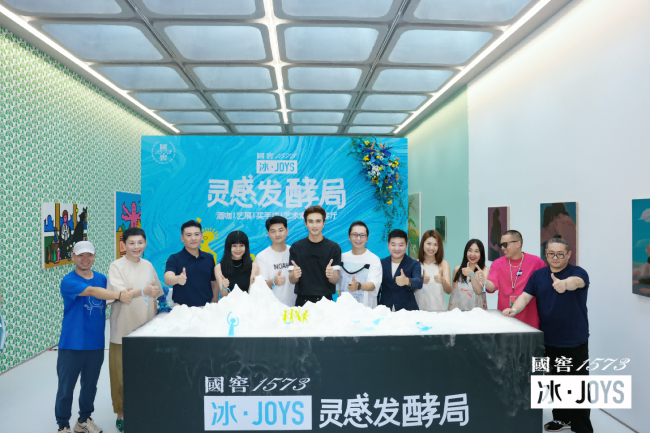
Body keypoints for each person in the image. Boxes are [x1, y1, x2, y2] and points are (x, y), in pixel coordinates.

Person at [503, 237, 592, 433]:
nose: (555, 257)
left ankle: (582, 427)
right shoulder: (538, 276)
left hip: (574, 340)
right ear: (546, 254)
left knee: (578, 384)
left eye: (560, 254)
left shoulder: (577, 272)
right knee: (555, 381)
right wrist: (514, 309)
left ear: (568, 254)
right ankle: (561, 419)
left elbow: (577, 283)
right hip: (548, 339)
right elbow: (525, 296)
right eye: (551, 253)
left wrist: (565, 285)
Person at [55, 241, 134, 433]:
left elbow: (108, 299)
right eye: (80, 255)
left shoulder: (101, 278)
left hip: (96, 343)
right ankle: (63, 425)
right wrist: (119, 294)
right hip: (72, 344)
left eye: (89, 255)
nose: (85, 259)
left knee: (90, 386)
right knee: (66, 388)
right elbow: (92, 291)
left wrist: (135, 293)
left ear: (94, 256)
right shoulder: (68, 281)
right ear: (73, 257)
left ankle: (83, 420)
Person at [107, 228, 163, 433]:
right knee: (120, 376)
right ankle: (121, 415)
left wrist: (154, 324)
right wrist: (143, 291)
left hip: (145, 331)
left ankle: (143, 409)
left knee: (145, 373)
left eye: (140, 242)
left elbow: (155, 296)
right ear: (123, 245)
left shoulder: (148, 265)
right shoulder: (116, 266)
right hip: (122, 332)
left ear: (145, 243)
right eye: (132, 243)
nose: (136, 247)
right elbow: (121, 295)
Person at [485, 230, 545, 328]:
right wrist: (483, 281)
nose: (502, 248)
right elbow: (492, 287)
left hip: (530, 321)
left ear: (518, 244)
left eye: (505, 245)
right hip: (505, 319)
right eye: (501, 245)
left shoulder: (536, 262)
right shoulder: (497, 264)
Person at [289, 205, 341, 307]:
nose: (314, 225)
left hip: (326, 302)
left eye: (318, 221)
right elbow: (292, 280)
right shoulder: (296, 247)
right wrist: (295, 275)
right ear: (306, 224)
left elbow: (335, 280)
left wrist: (331, 275)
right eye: (311, 221)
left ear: (323, 223)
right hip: (302, 302)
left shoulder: (334, 247)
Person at [164, 220, 221, 307]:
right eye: (189, 235)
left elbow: (214, 284)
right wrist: (178, 279)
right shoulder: (174, 258)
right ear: (182, 238)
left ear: (201, 236)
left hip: (206, 307)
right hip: (182, 309)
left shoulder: (209, 258)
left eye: (196, 234)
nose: (193, 238)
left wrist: (214, 305)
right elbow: (168, 278)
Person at [336, 221, 382, 308]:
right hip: (343, 310)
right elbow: (336, 282)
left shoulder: (374, 259)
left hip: (366, 311)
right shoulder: (341, 257)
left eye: (362, 235)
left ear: (367, 238)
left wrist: (359, 286)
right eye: (355, 234)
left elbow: (373, 285)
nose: (358, 238)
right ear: (349, 237)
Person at [256, 216, 296, 306]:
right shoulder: (261, 257)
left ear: (287, 231)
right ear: (268, 234)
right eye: (273, 231)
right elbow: (260, 286)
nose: (277, 234)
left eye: (280, 230)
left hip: (294, 307)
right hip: (272, 308)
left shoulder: (295, 252)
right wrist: (274, 281)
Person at [379, 229, 423, 311]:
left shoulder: (414, 264)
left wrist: (407, 281)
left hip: (407, 311)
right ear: (388, 245)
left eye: (401, 245)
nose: (397, 248)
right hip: (385, 310)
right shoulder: (381, 263)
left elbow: (419, 282)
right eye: (393, 245)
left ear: (406, 246)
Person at [415, 230, 450, 311]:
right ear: (423, 244)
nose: (432, 248)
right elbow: (410, 291)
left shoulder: (444, 264)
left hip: (439, 311)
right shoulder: (415, 264)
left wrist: (443, 280)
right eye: (429, 244)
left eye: (435, 245)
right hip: (420, 311)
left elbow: (448, 291)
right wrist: (420, 281)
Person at [450, 239, 489, 311]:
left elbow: (479, 291)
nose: (472, 254)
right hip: (458, 313)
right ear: (466, 252)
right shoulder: (457, 269)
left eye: (476, 251)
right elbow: (453, 294)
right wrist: (449, 312)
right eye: (470, 250)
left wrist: (472, 274)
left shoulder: (484, 270)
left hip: (478, 313)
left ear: (481, 254)